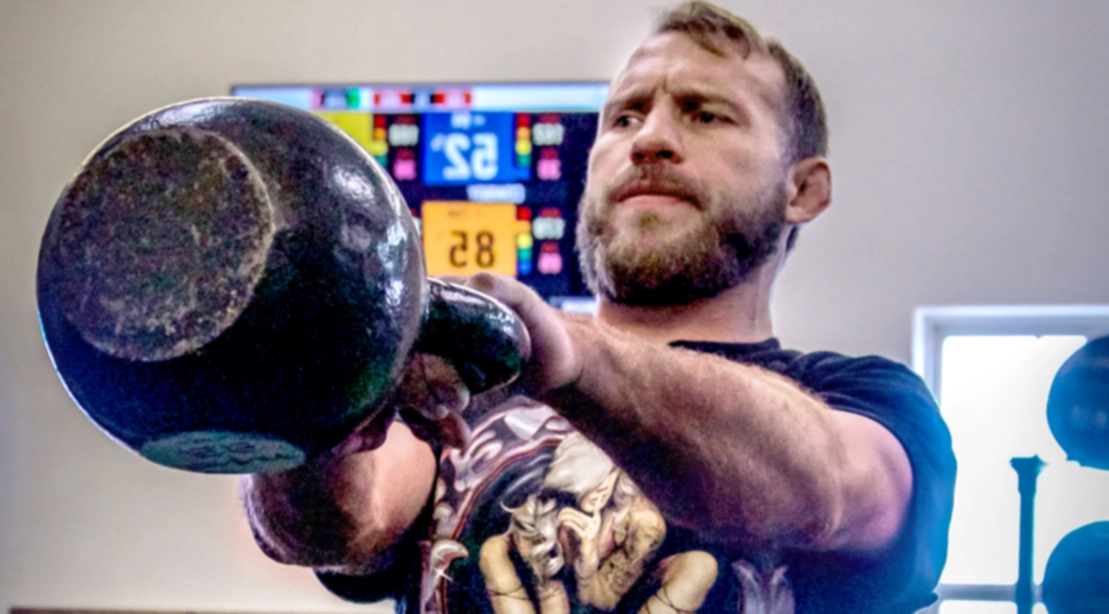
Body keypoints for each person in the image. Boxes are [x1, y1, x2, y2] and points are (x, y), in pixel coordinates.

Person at [240, 2, 957, 612]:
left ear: (802, 189)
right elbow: (332, 528)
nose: (648, 140)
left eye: (705, 115)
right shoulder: (467, 394)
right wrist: (314, 396)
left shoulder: (867, 401)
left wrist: (575, 357)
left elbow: (826, 489)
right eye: (623, 119)